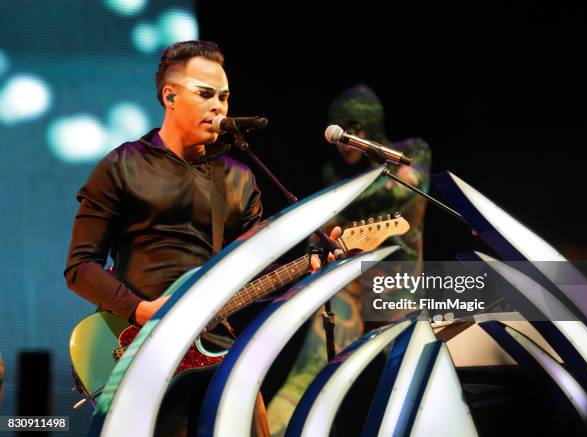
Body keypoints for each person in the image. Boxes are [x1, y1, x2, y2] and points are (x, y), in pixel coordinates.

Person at [64, 40, 335, 437]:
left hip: (219, 354)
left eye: (224, 97)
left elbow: (253, 277)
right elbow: (80, 267)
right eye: (206, 94)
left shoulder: (238, 178)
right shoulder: (121, 166)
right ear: (169, 95)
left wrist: (308, 269)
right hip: (144, 355)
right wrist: (142, 311)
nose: (219, 107)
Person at [267, 84, 431, 436]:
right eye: (340, 129)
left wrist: (335, 205)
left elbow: (403, 187)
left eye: (354, 129)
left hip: (398, 286)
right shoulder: (333, 174)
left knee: (414, 382)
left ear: (369, 127)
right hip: (350, 284)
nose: (346, 139)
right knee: (306, 375)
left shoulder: (411, 151)